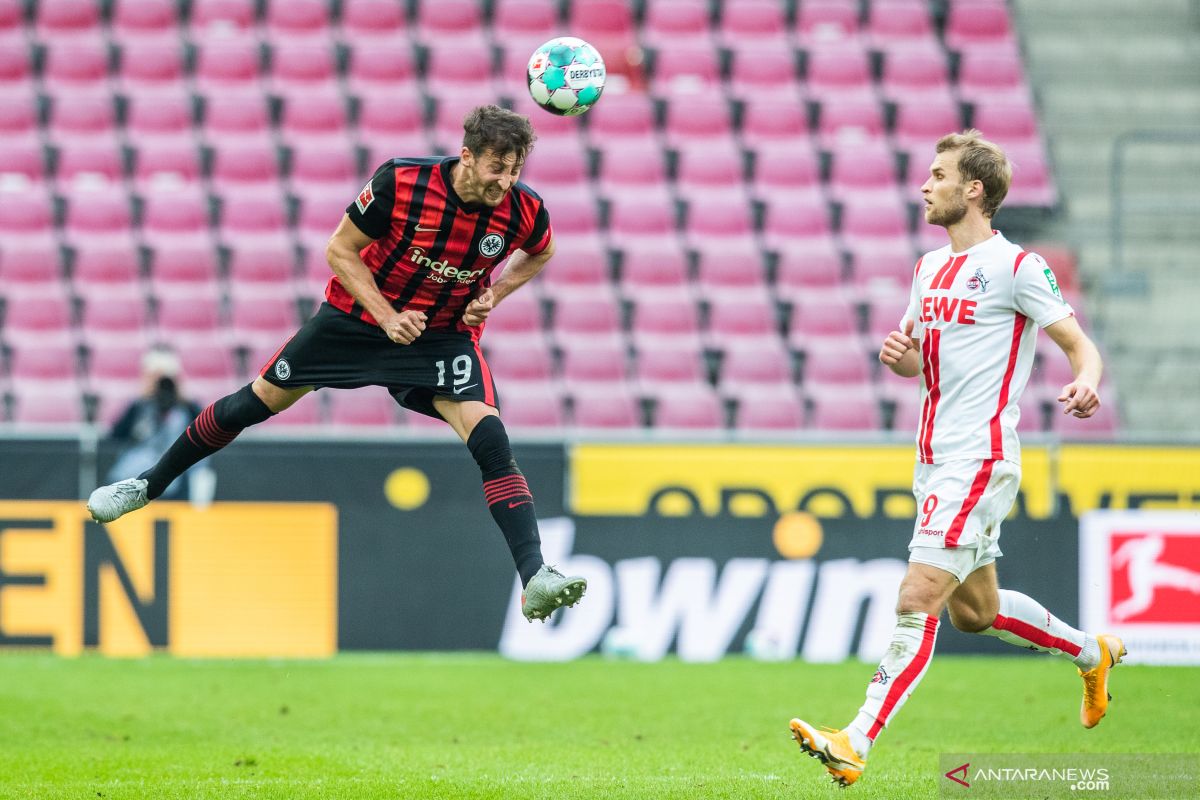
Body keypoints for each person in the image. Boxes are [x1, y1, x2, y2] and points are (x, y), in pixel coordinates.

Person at [88, 105, 586, 622]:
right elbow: (341, 250)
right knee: (255, 403)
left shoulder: (524, 209)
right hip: (356, 320)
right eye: (496, 168)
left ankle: (535, 576)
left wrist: (496, 293)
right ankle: (145, 485)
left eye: (514, 171)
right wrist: (388, 317)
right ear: (467, 156)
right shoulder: (403, 181)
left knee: (491, 439)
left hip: (441, 336)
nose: (504, 182)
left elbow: (541, 251)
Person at [788, 130, 1123, 787]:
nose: (925, 185)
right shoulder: (927, 270)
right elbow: (921, 359)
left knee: (917, 596)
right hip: (934, 459)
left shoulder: (1017, 267)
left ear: (973, 189)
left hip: (981, 458)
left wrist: (1086, 379)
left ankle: (854, 740)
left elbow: (1079, 345)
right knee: (975, 613)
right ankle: (1093, 651)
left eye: (938, 175)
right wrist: (903, 357)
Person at [107, 347, 204, 501]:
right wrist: (142, 397)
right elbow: (115, 435)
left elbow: (207, 426)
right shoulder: (139, 406)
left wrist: (181, 395)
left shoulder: (185, 408)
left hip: (175, 479)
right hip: (136, 477)